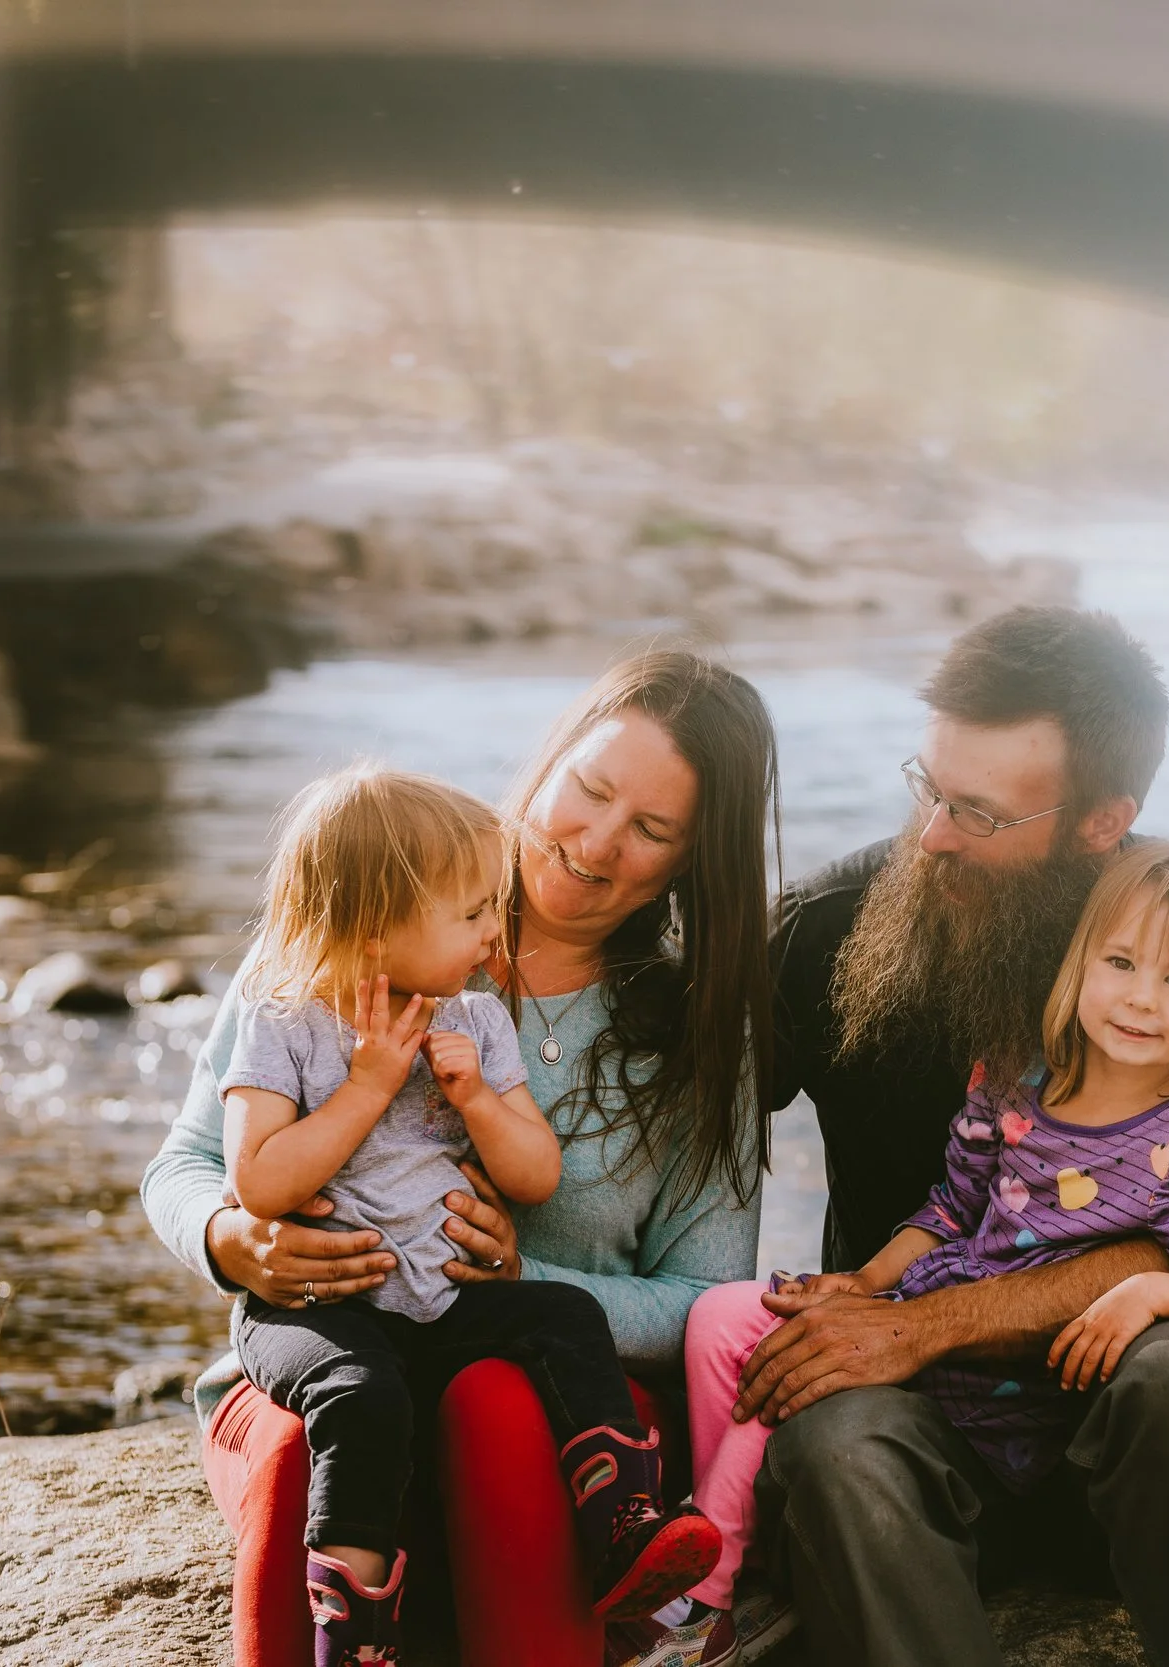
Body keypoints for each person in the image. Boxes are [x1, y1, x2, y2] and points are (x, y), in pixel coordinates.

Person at [142, 650, 779, 1667]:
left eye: (652, 830)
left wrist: (526, 1275)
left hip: (548, 1408)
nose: (596, 842)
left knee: (496, 1404)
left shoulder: (696, 1034)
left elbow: (707, 1301)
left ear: (693, 861)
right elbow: (185, 1158)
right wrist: (231, 1237)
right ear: (550, 759)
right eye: (591, 788)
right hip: (337, 1365)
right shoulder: (350, 919)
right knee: (317, 1433)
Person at [728, 606, 1169, 1667]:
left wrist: (930, 1323)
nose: (933, 835)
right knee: (831, 1439)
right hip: (928, 1442)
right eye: (929, 787)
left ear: (1101, 820)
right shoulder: (824, 924)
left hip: (1132, 1432)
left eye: (980, 813)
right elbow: (662, 1114)